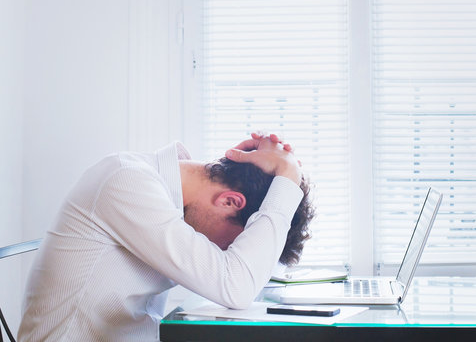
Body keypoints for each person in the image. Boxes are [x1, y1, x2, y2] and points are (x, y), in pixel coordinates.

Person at [18, 133, 314, 342]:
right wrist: (288, 177)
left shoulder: (162, 190)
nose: (225, 252)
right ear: (229, 202)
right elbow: (235, 285)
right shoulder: (127, 181)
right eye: (231, 245)